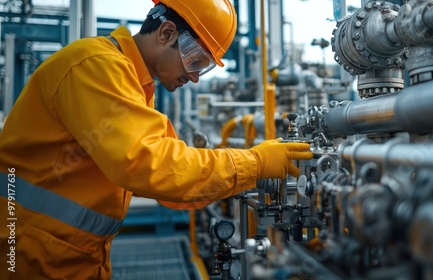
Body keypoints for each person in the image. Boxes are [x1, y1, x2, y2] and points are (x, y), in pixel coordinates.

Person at [0, 0, 312, 278]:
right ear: (166, 33)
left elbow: (172, 188)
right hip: (27, 256)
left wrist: (236, 174)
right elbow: (155, 167)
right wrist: (254, 164)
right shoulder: (94, 67)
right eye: (196, 61)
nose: (193, 77)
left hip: (72, 258)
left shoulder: (133, 84)